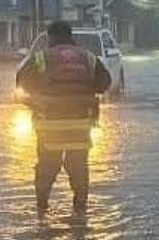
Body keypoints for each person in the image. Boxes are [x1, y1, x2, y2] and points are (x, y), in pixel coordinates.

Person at [17, 20, 111, 212]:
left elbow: (22, 83)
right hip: (81, 124)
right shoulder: (89, 57)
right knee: (78, 166)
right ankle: (80, 211)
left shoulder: (41, 57)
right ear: (71, 37)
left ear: (50, 37)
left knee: (47, 166)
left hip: (49, 126)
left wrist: (39, 97)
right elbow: (105, 83)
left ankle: (42, 211)